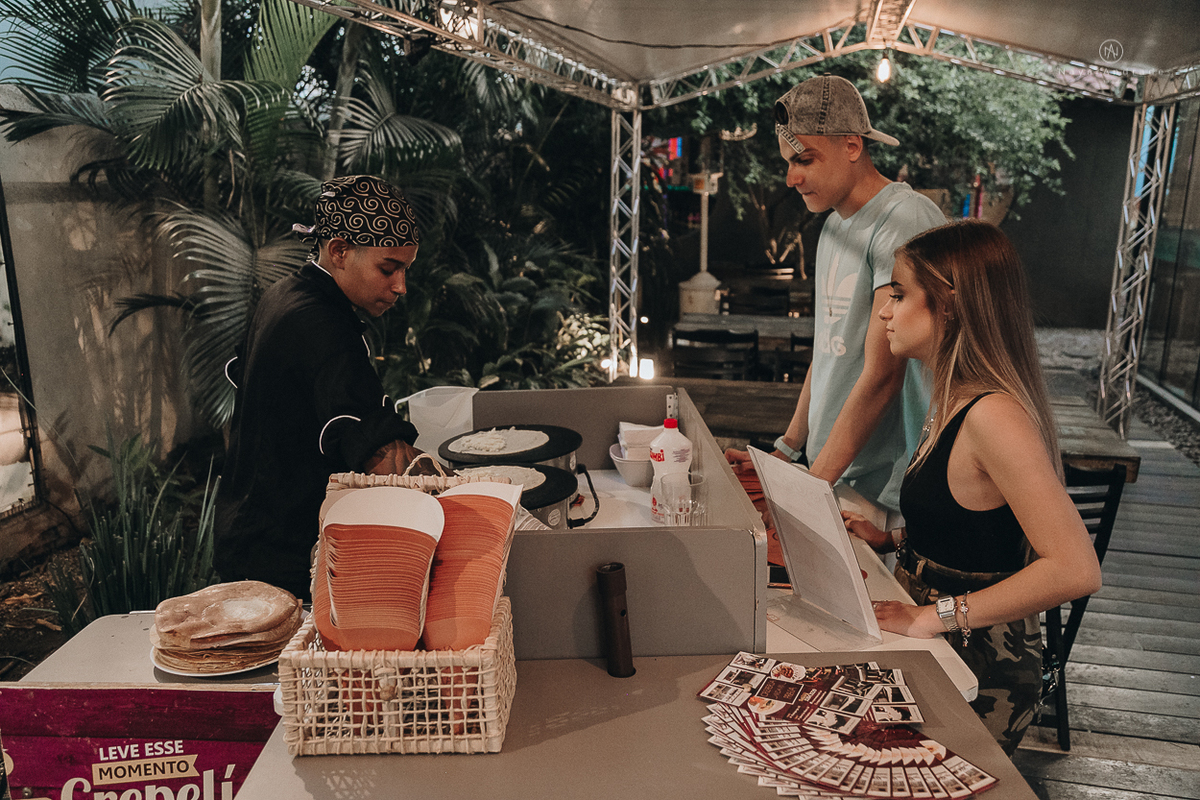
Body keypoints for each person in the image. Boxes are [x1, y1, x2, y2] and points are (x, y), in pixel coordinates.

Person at [843, 220, 1102, 754]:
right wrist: (890, 540)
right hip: (936, 645)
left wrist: (929, 616)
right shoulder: (951, 396)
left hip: (982, 668)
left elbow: (1077, 569)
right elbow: (974, 529)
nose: (885, 311)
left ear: (950, 305)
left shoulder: (994, 416)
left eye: (898, 293)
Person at [726, 74, 945, 515]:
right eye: (788, 161)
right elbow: (829, 353)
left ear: (852, 146)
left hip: (882, 487)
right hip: (832, 473)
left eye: (804, 159)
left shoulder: (904, 218)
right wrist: (787, 452)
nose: (791, 178)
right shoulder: (831, 225)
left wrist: (807, 489)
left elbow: (884, 374)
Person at [214, 175, 427, 599]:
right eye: (389, 268)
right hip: (281, 562)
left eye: (406, 270)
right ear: (340, 251)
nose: (401, 286)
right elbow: (387, 460)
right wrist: (472, 495)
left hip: (244, 535)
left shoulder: (282, 294)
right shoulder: (322, 326)